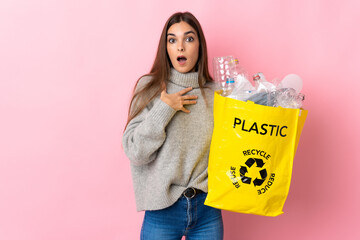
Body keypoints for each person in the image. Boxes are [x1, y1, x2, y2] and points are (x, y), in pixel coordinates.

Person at [122, 11, 223, 240]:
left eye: (188, 38)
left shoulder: (216, 94)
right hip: (162, 212)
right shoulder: (149, 87)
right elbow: (135, 152)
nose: (180, 47)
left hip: (208, 210)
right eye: (172, 39)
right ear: (165, 47)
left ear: (199, 45)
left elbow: (232, 147)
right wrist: (164, 108)